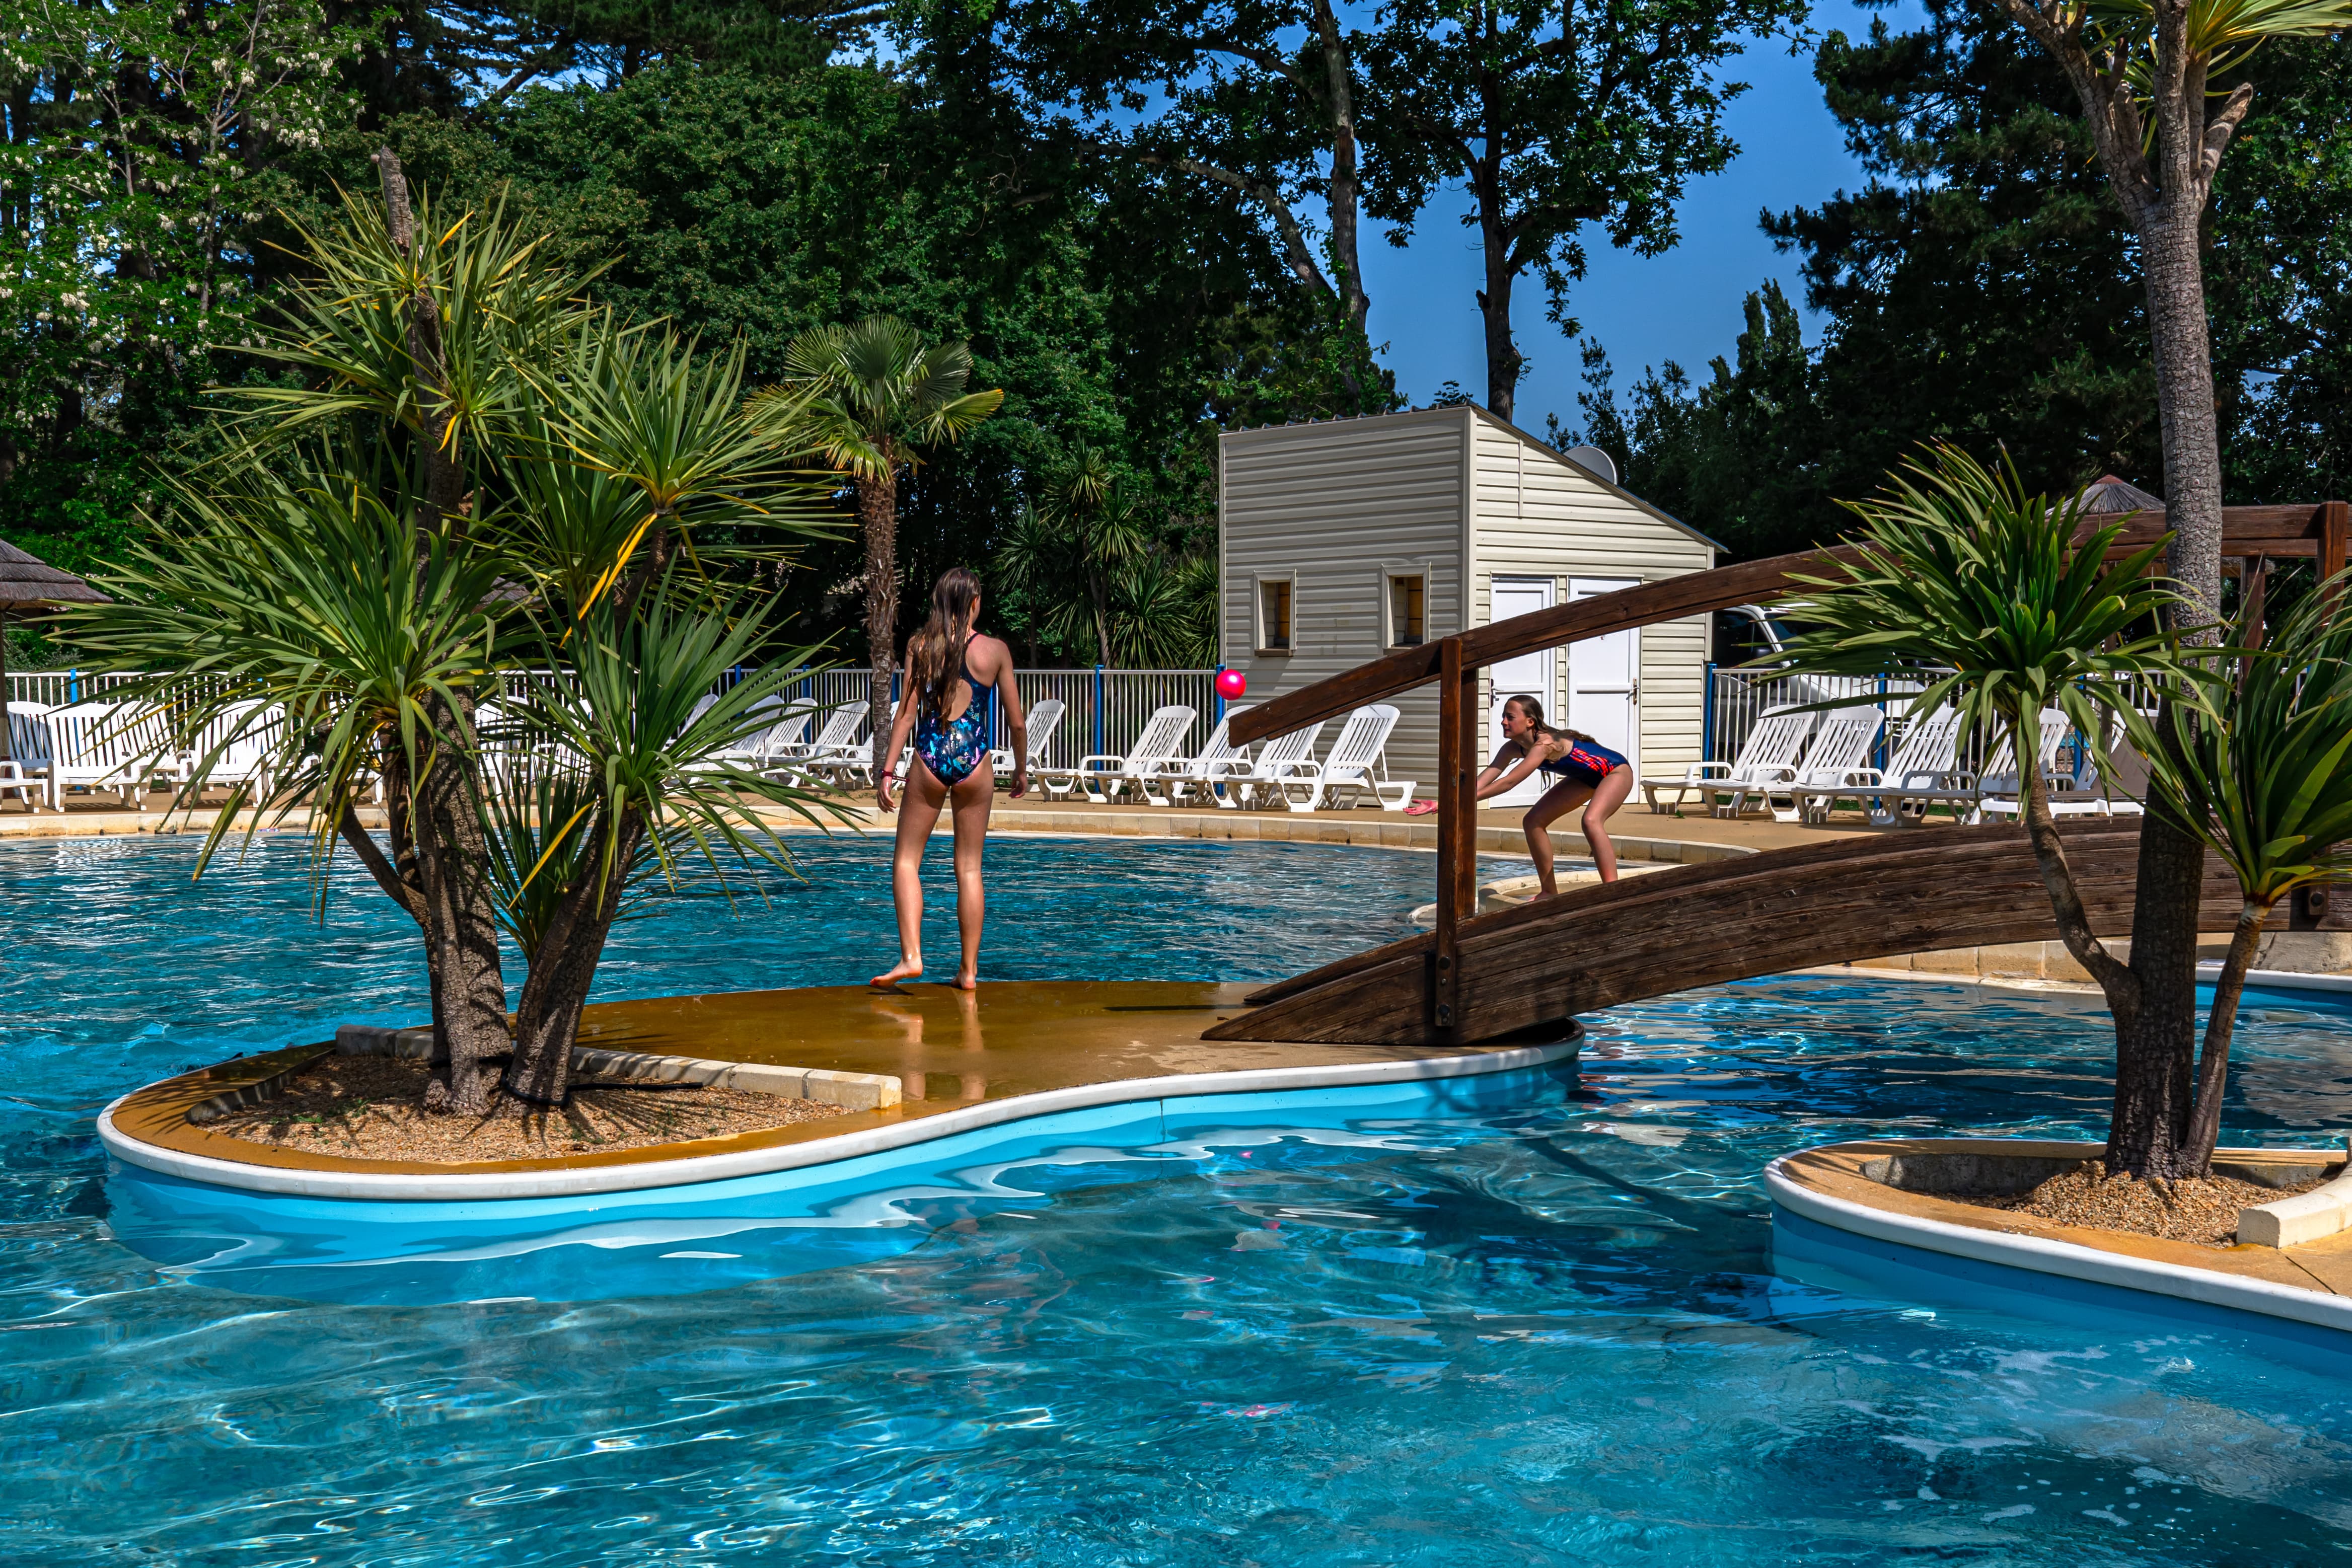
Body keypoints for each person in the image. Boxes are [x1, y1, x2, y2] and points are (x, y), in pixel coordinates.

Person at [871, 567, 1027, 990]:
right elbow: (1016, 722)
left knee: (906, 861)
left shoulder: (921, 646)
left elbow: (906, 715)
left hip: (931, 758)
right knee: (970, 869)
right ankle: (969, 972)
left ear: (939, 602)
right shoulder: (995, 651)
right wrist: (1021, 768)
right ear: (974, 602)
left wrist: (888, 771)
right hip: (975, 761)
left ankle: (911, 956)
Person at [1408, 693, 1634, 892]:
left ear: (1530, 722)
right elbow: (1483, 780)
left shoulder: (1544, 745)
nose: (1503, 722)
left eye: (1510, 717)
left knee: (1591, 821)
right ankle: (1549, 892)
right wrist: (1445, 801)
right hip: (1584, 778)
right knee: (1533, 821)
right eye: (1503, 717)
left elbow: (1509, 782)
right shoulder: (1512, 748)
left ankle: (1612, 890)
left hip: (1616, 772)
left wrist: (1454, 803)